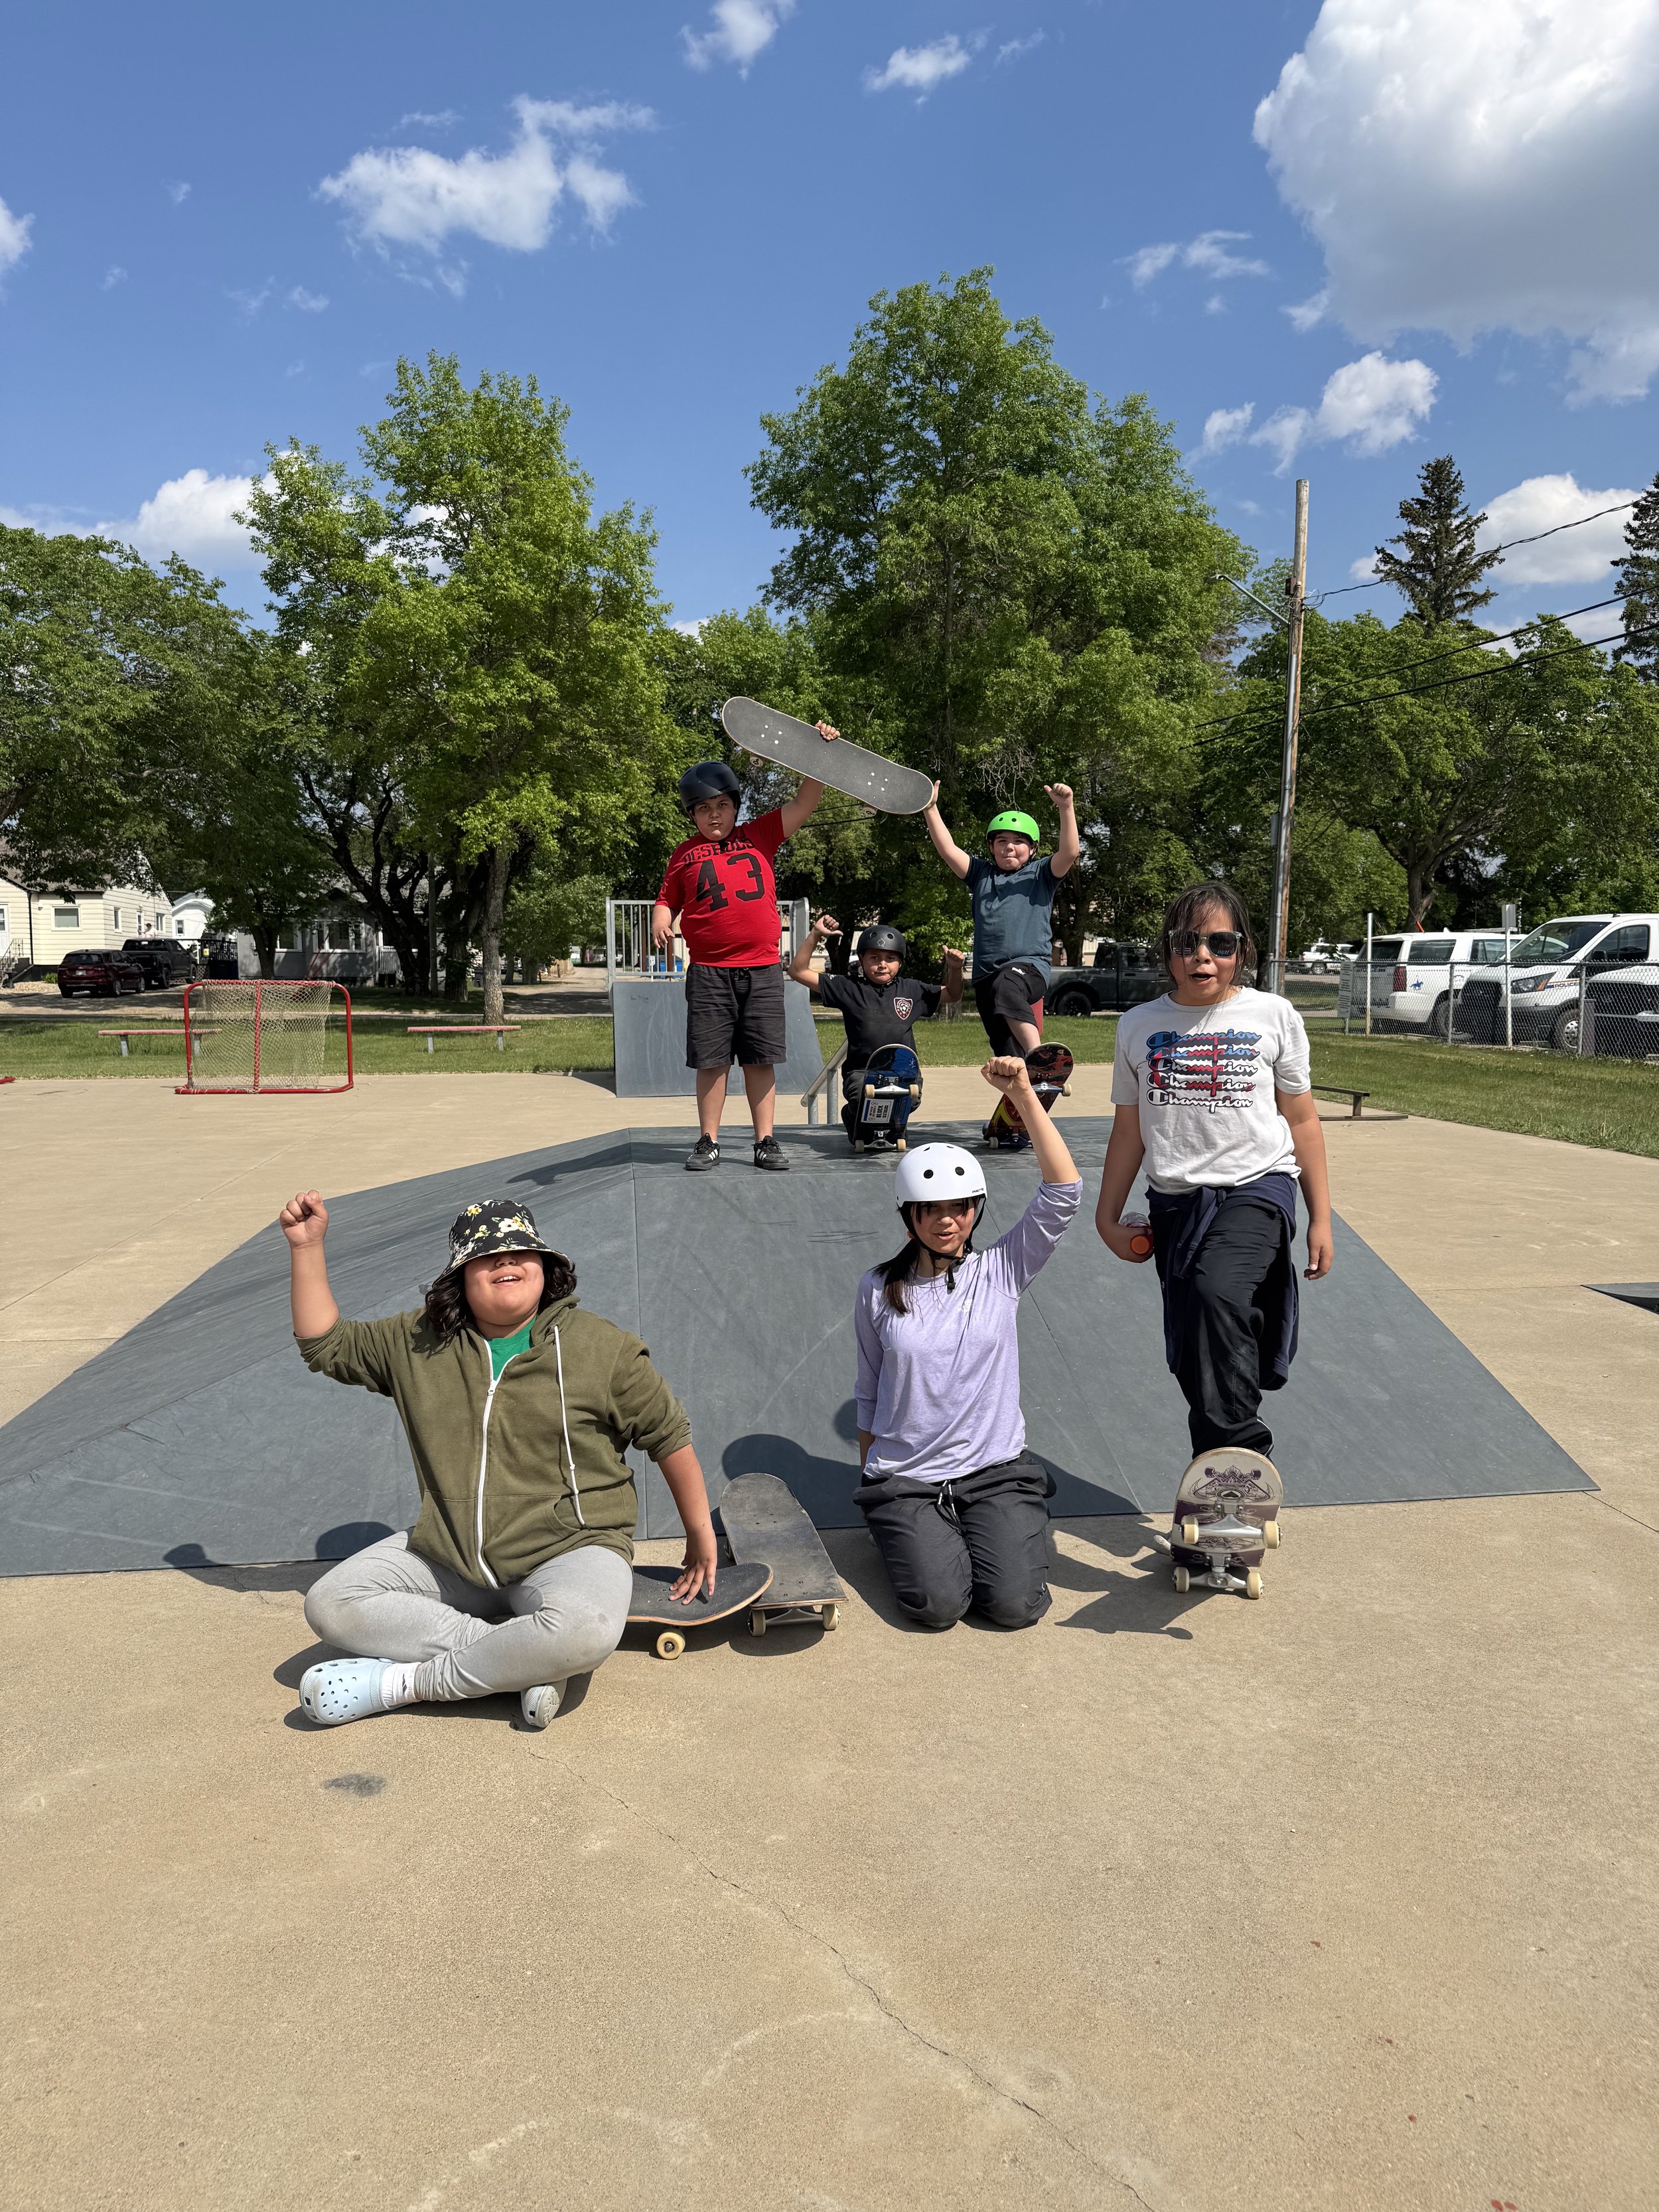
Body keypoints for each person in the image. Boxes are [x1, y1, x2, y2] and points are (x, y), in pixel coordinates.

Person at [281, 1191, 719, 1730]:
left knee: (589, 1627)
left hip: (570, 1550)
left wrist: (701, 1534)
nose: (506, 1260)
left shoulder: (604, 1349)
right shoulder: (418, 1343)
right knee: (329, 1602)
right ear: (461, 1278)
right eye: (486, 1255)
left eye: (520, 1250)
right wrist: (307, 1247)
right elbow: (325, 1344)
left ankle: (403, 1685)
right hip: (454, 1552)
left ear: (545, 1267)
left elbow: (669, 1435)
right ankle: (518, 1659)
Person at [1093, 883, 1334, 1465]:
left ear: (1242, 950)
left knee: (1215, 1291)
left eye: (1220, 942)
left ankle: (1243, 1453)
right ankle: (1218, 1491)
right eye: (1187, 942)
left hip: (1259, 1186)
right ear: (1167, 951)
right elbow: (1129, 1130)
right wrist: (1106, 1217)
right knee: (1193, 1347)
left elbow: (1302, 1121)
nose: (1203, 956)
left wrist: (1321, 1217)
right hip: (1176, 1200)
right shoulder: (1139, 1025)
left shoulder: (1273, 1014)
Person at [852, 1058, 1082, 1630]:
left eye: (960, 1208)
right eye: (931, 1210)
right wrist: (874, 1481)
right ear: (910, 1217)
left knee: (1012, 1606)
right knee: (938, 1607)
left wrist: (1025, 1096)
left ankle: (994, 1531)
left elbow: (1064, 1192)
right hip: (907, 1478)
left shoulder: (1001, 1270)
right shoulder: (878, 1289)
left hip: (993, 1470)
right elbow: (869, 1389)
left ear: (976, 1209)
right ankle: (909, 1531)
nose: (947, 1221)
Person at [652, 735, 838, 1174]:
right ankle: (709, 1140)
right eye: (703, 809)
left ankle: (765, 1140)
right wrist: (662, 917)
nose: (713, 815)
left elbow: (805, 802)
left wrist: (818, 754)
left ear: (736, 806)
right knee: (712, 1061)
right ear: (692, 814)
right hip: (710, 973)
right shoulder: (683, 855)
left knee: (760, 1058)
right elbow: (666, 899)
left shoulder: (761, 833)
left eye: (721, 806)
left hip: (761, 970)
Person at [920, 781, 1080, 1060]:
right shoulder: (981, 875)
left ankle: (1038, 1055)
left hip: (1029, 968)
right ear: (992, 847)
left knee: (1007, 985)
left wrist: (1066, 808)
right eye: (1002, 841)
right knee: (1008, 1055)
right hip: (985, 978)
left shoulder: (1041, 874)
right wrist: (931, 808)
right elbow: (948, 850)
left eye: (1018, 841)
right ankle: (1028, 1085)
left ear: (1032, 849)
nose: (1009, 847)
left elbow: (1069, 853)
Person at [787, 915, 965, 1142]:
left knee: (910, 1100)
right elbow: (798, 972)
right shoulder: (848, 987)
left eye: (890, 958)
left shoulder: (912, 989)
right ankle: (854, 1116)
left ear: (900, 962)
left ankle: (891, 1124)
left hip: (904, 1072)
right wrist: (816, 934)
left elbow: (952, 994)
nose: (882, 964)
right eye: (874, 957)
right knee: (866, 1096)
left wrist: (955, 969)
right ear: (861, 960)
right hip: (862, 1073)